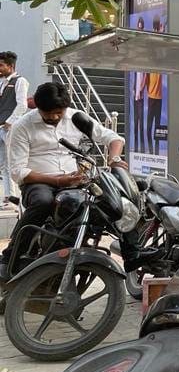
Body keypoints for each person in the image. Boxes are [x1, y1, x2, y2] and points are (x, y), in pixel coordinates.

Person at [0, 83, 127, 280]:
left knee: (115, 203)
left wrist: (115, 158)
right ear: (38, 108)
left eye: (59, 112)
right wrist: (58, 181)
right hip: (38, 182)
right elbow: (18, 171)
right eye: (48, 113)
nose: (54, 117)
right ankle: (10, 257)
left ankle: (132, 253)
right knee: (43, 202)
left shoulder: (76, 118)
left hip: (75, 180)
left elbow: (113, 138)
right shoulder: (22, 126)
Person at [0, 52, 30, 205]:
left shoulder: (20, 81)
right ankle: (8, 197)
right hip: (0, 127)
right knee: (3, 164)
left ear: (11, 66)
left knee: (14, 163)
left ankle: (21, 197)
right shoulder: (2, 82)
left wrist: (9, 122)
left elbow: (22, 105)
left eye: (1, 66)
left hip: (8, 128)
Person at [145, 17, 164, 155]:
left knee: (156, 125)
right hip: (152, 96)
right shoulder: (150, 64)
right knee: (150, 125)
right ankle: (151, 150)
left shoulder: (160, 64)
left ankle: (155, 150)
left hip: (157, 97)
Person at [132, 18, 146, 153]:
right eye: (138, 27)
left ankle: (141, 147)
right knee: (136, 122)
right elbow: (135, 74)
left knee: (141, 122)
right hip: (135, 92)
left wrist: (140, 89)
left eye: (141, 28)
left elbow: (145, 75)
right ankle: (136, 147)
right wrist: (134, 89)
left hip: (140, 95)